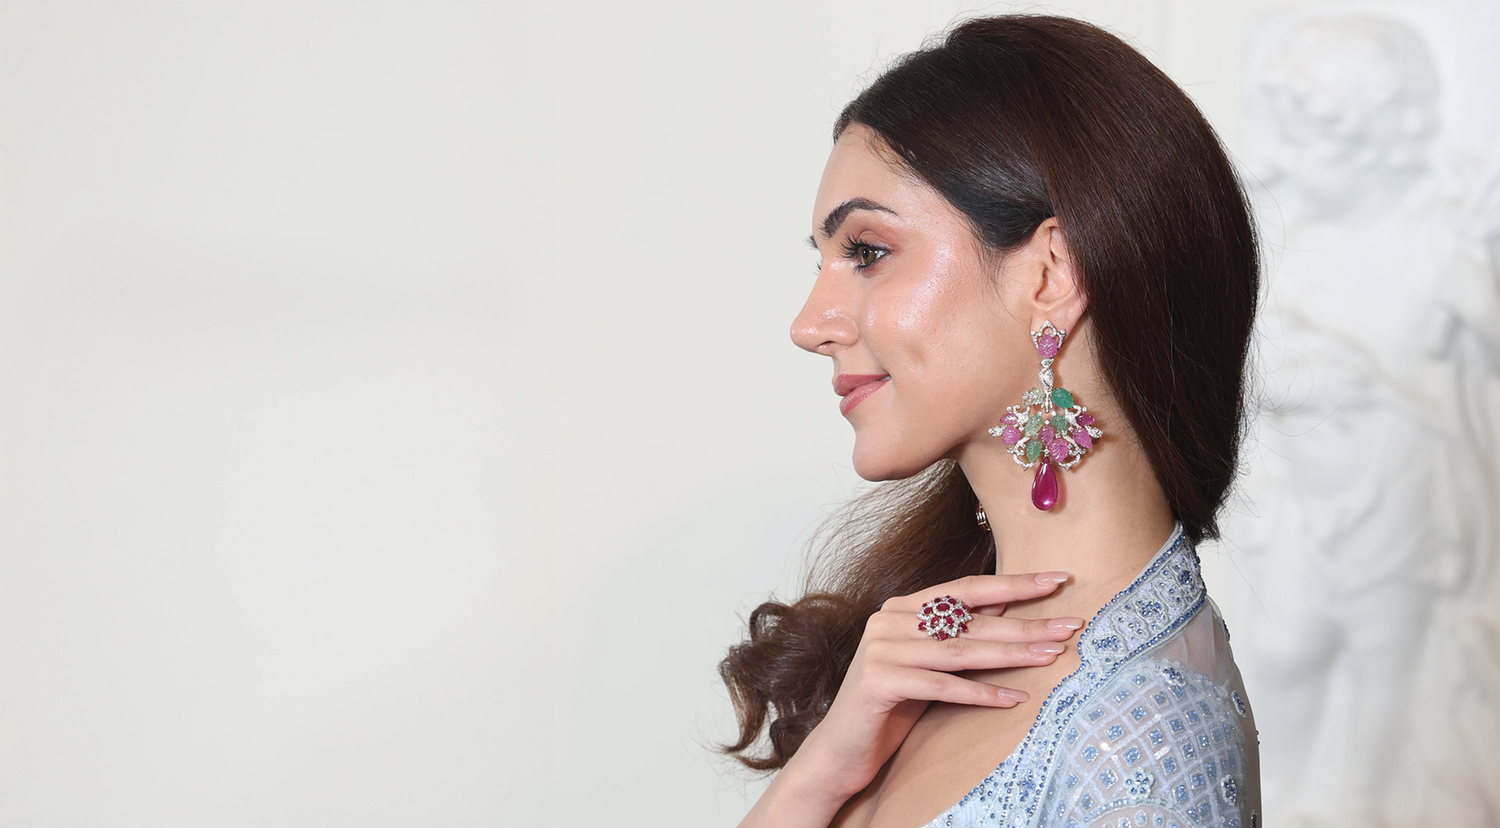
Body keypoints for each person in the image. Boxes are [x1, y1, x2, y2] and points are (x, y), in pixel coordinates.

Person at [719, 15, 1261, 828]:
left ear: (1050, 273)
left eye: (866, 251)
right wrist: (820, 773)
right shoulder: (913, 660)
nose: (811, 322)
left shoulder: (1143, 736)